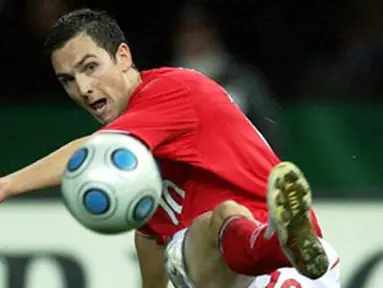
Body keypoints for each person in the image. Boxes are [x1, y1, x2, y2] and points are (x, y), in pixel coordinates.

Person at [0, 8, 340, 288]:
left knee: (216, 222)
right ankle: (283, 241)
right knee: (211, 225)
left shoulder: (170, 91)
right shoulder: (137, 168)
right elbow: (149, 247)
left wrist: (6, 185)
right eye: (68, 80)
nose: (84, 88)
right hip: (301, 274)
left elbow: (94, 151)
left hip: (263, 267)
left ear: (122, 56)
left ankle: (277, 242)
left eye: (90, 67)